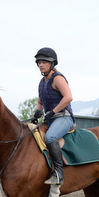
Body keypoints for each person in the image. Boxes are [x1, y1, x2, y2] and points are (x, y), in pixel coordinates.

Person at [31, 47, 75, 185]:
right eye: (39, 62)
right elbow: (40, 101)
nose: (40, 65)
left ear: (52, 63)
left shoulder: (58, 78)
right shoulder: (42, 82)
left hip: (64, 118)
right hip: (51, 119)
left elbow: (68, 97)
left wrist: (53, 111)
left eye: (44, 62)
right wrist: (37, 113)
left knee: (50, 137)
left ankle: (58, 174)